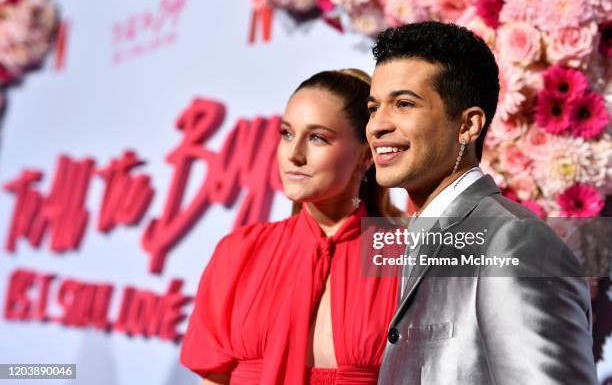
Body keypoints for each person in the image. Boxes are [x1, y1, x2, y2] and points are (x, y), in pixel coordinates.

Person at [366, 22, 598, 384]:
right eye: (373, 107)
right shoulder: (413, 237)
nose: (377, 126)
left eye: (403, 104)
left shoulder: (515, 242)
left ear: (468, 125)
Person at [180, 69, 404, 384]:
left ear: (366, 156)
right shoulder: (240, 251)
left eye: (317, 138)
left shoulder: (407, 253)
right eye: (287, 133)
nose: (294, 155)